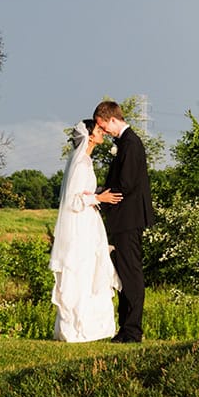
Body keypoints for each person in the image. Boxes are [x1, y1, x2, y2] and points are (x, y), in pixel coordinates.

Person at [49, 118, 121, 342]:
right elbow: (73, 199)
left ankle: (92, 327)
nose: (103, 133)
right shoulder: (80, 162)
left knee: (90, 270)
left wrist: (97, 193)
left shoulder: (84, 161)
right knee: (82, 269)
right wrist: (99, 197)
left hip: (88, 222)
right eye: (99, 130)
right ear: (90, 136)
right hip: (80, 225)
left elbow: (81, 190)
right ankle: (78, 328)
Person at [94, 99, 155, 343]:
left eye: (103, 126)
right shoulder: (125, 143)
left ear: (112, 119)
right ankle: (125, 328)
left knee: (131, 274)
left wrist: (102, 196)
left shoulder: (131, 144)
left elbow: (127, 185)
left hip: (129, 219)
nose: (104, 131)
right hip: (123, 220)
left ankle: (133, 330)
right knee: (123, 274)